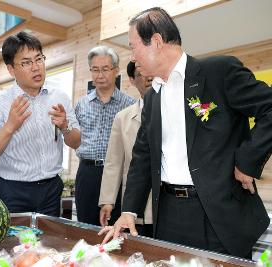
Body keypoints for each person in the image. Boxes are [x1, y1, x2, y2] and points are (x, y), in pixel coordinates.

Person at [101, 7, 272, 258]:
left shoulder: (219, 72)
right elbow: (143, 157)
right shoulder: (152, 98)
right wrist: (129, 211)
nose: (133, 57)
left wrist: (247, 161)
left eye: (133, 46)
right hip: (168, 215)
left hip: (217, 214)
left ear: (156, 42)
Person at [0, 31, 80, 217]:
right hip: (12, 191)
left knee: (48, 245)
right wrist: (10, 126)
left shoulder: (59, 97)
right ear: (11, 69)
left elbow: (76, 142)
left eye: (39, 59)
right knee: (12, 245)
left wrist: (65, 126)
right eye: (26, 62)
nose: (35, 67)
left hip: (51, 189)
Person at [75, 45, 136, 226]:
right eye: (95, 70)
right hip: (87, 173)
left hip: (118, 174)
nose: (99, 75)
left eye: (105, 69)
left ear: (116, 70)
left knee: (117, 229)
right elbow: (73, 139)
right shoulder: (81, 104)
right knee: (86, 227)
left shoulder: (129, 104)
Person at [98, 62, 153, 237]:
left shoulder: (171, 111)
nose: (148, 78)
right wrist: (108, 200)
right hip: (135, 205)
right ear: (132, 80)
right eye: (141, 75)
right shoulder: (122, 118)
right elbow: (113, 161)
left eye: (150, 72)